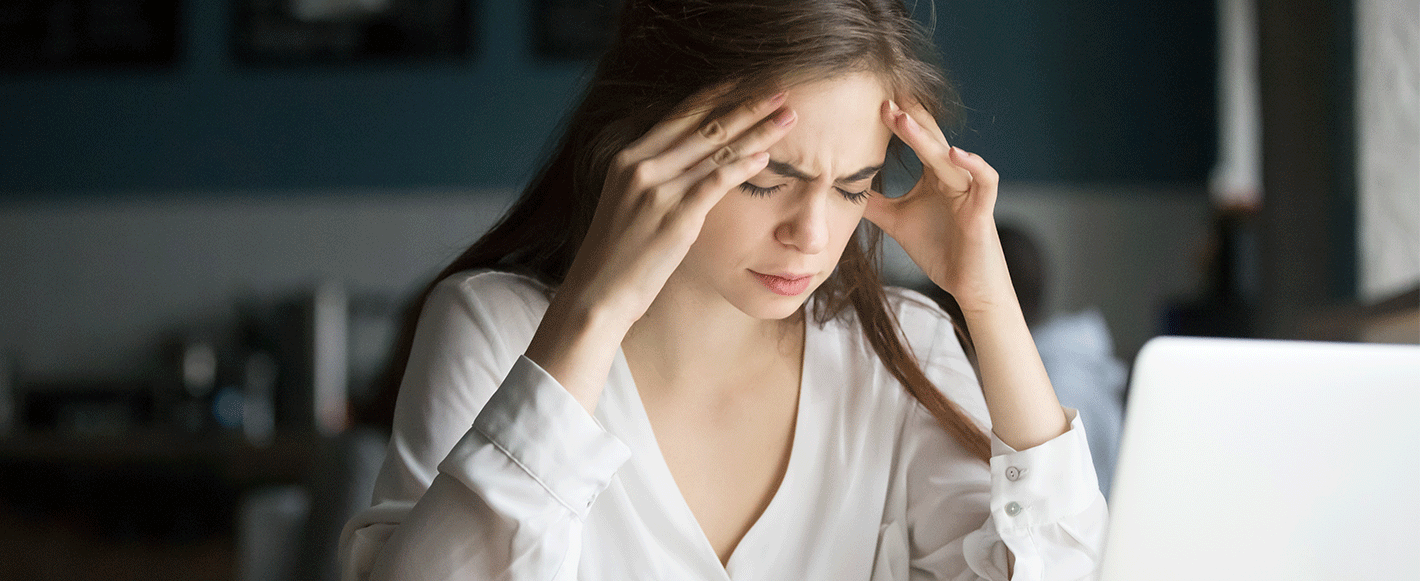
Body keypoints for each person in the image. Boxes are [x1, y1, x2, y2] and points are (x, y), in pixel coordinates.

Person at [339, 1, 1107, 579]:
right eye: (770, 179)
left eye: (853, 188)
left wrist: (988, 300)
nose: (811, 235)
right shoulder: (493, 324)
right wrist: (596, 307)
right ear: (654, 149)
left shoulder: (903, 347)